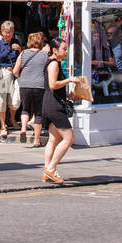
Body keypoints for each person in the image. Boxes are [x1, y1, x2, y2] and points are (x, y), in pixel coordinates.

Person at [40, 37, 76, 183]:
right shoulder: (54, 64)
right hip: (54, 106)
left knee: (54, 139)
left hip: (50, 102)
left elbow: (53, 88)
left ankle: (46, 170)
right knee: (69, 138)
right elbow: (53, 84)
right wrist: (69, 80)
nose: (66, 51)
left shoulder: (54, 63)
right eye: (64, 49)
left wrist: (69, 94)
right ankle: (51, 169)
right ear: (55, 50)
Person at [14, 32, 48, 147]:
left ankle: (23, 128)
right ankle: (36, 140)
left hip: (25, 85)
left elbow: (15, 71)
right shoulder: (44, 55)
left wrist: (21, 78)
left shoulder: (23, 53)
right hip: (39, 85)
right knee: (38, 113)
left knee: (25, 108)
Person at [0, 21, 22, 133]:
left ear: (13, 31)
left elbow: (22, 57)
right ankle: (3, 125)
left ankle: (12, 119)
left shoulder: (16, 41)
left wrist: (19, 49)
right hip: (2, 72)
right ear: (1, 32)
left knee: (14, 99)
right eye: (5, 32)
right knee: (1, 100)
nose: (7, 35)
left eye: (9, 32)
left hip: (14, 73)